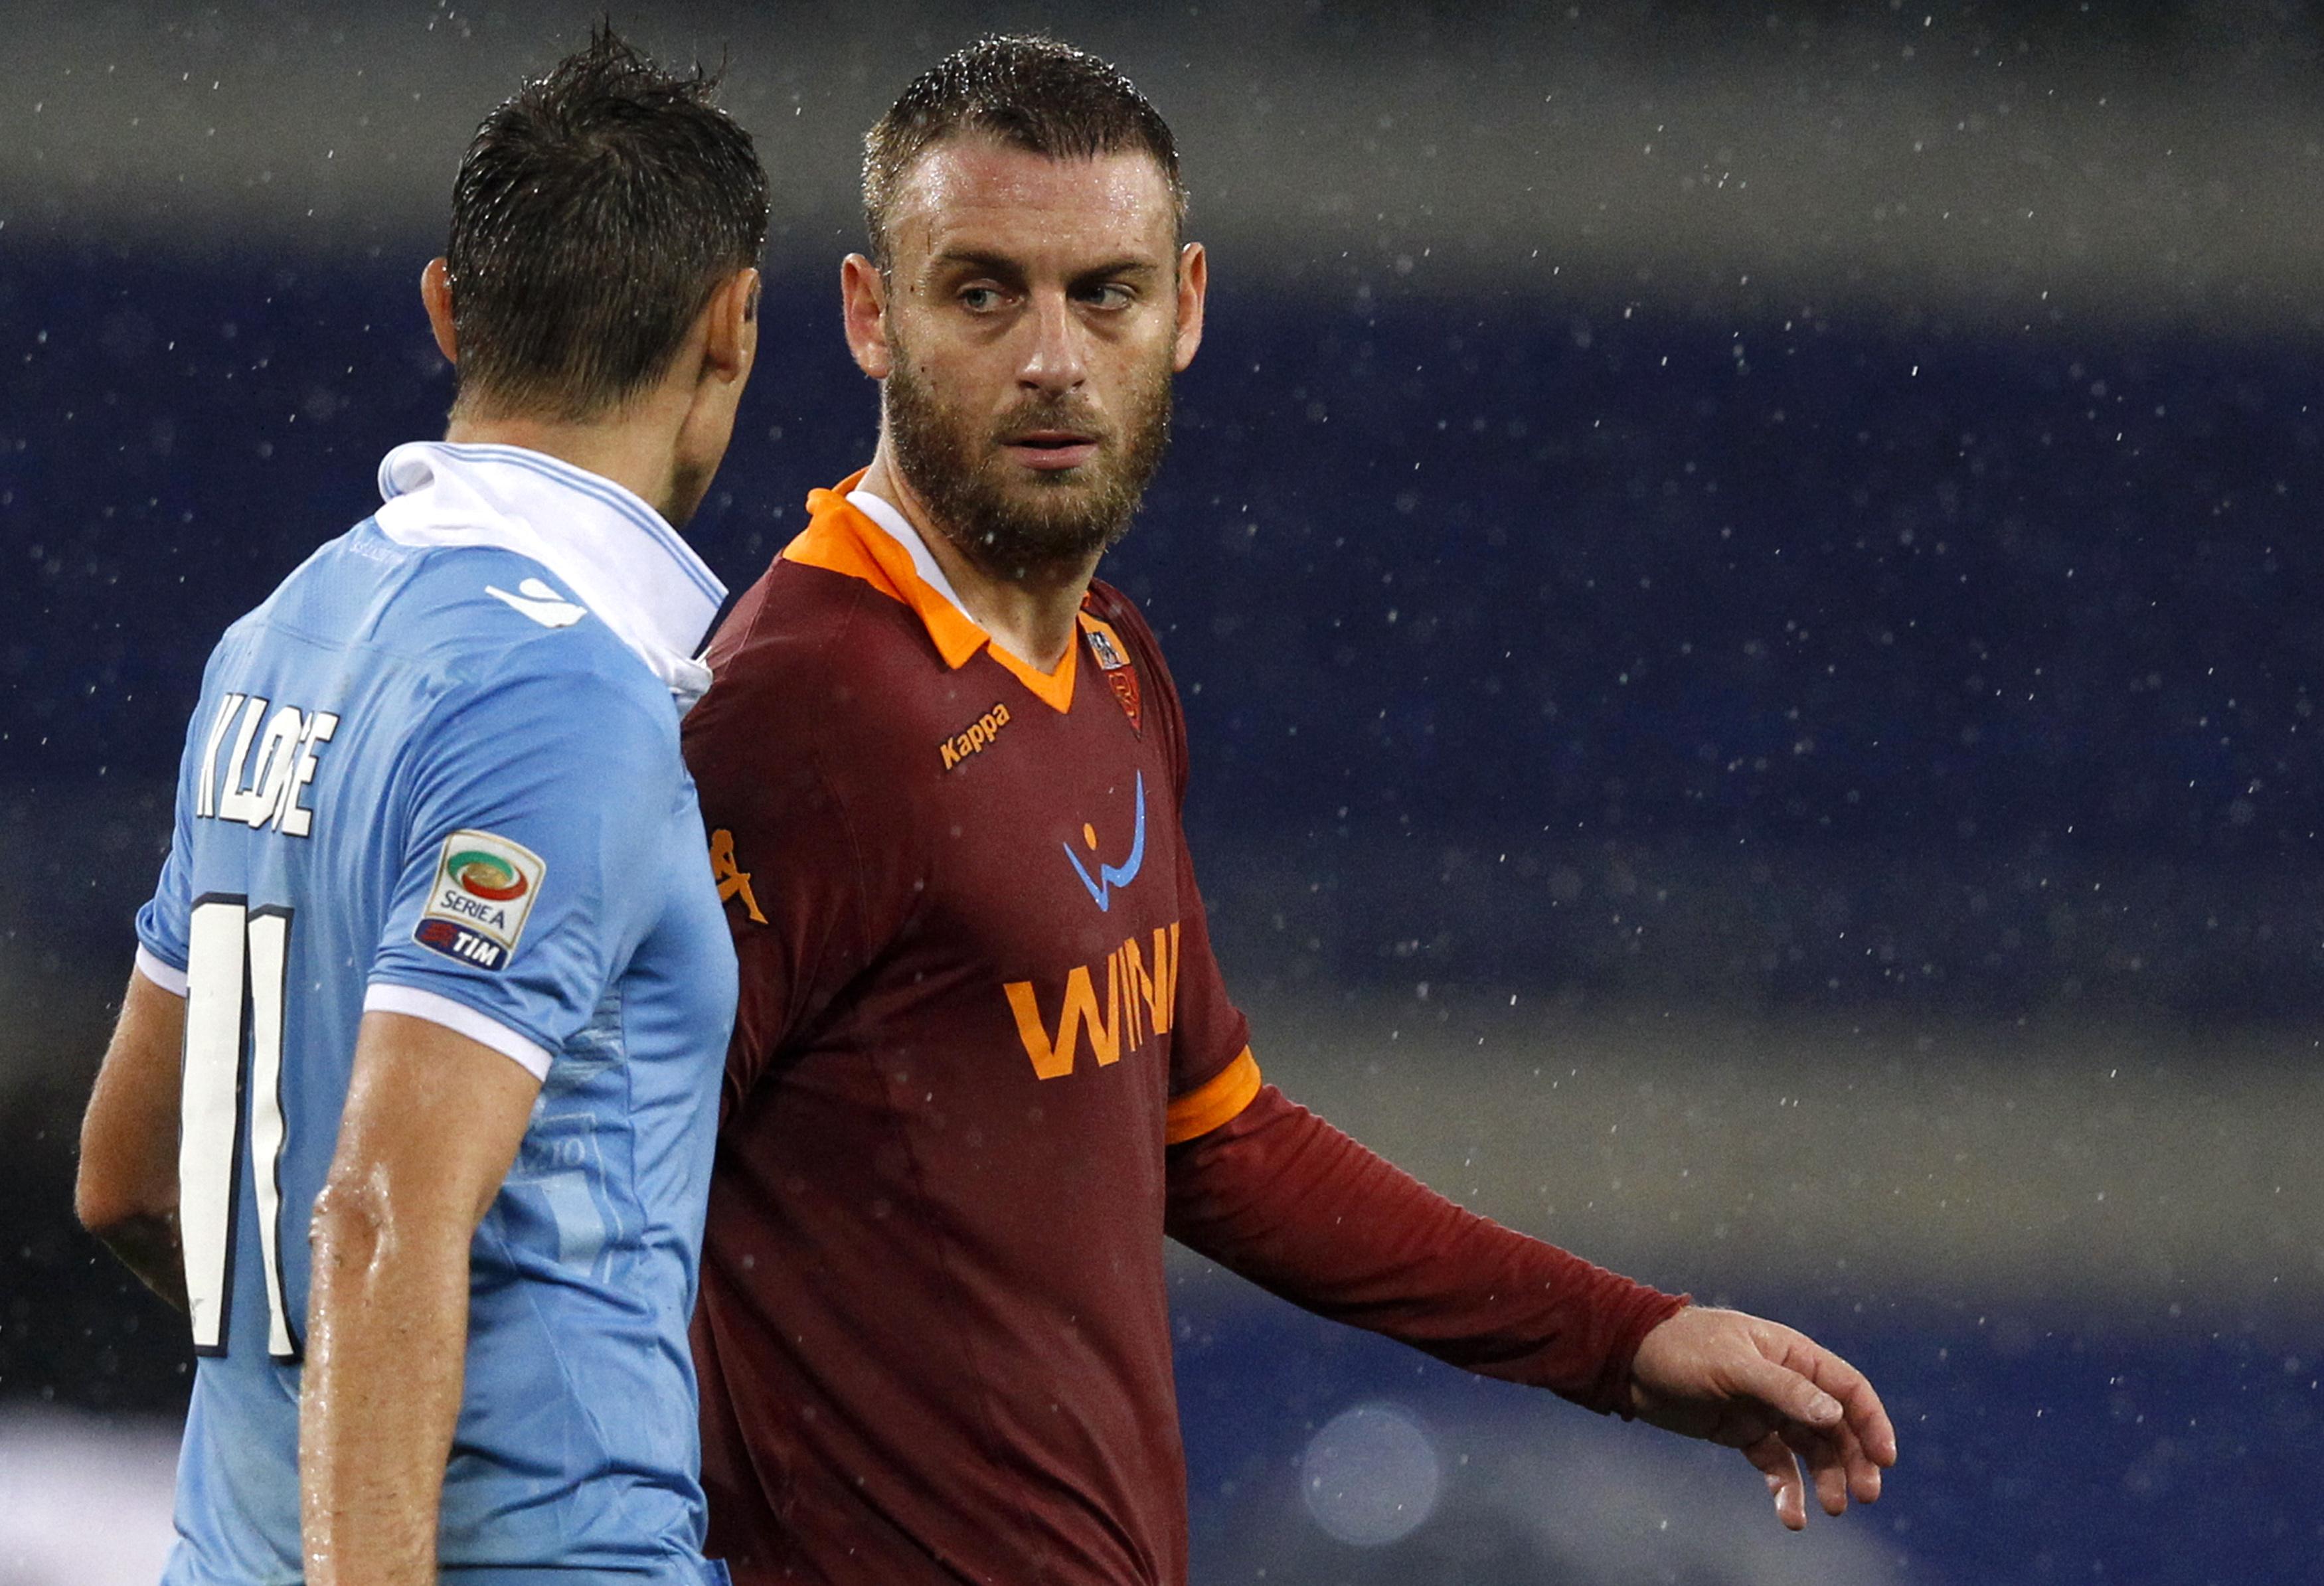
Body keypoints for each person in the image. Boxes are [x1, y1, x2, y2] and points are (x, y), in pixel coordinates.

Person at [681, 35, 1896, 1586]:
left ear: (1184, 307)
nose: (1051, 358)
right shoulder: (805, 707)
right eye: (982, 293)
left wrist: (1625, 1339)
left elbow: (1216, 1139)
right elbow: (575, 1200)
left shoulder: (1109, 661)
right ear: (870, 313)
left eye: (1103, 294)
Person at [74, 30, 766, 1586]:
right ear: (732, 326)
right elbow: (384, 1217)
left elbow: (131, 1171)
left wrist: (296, 1416)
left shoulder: (278, 637)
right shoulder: (560, 695)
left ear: (448, 308)